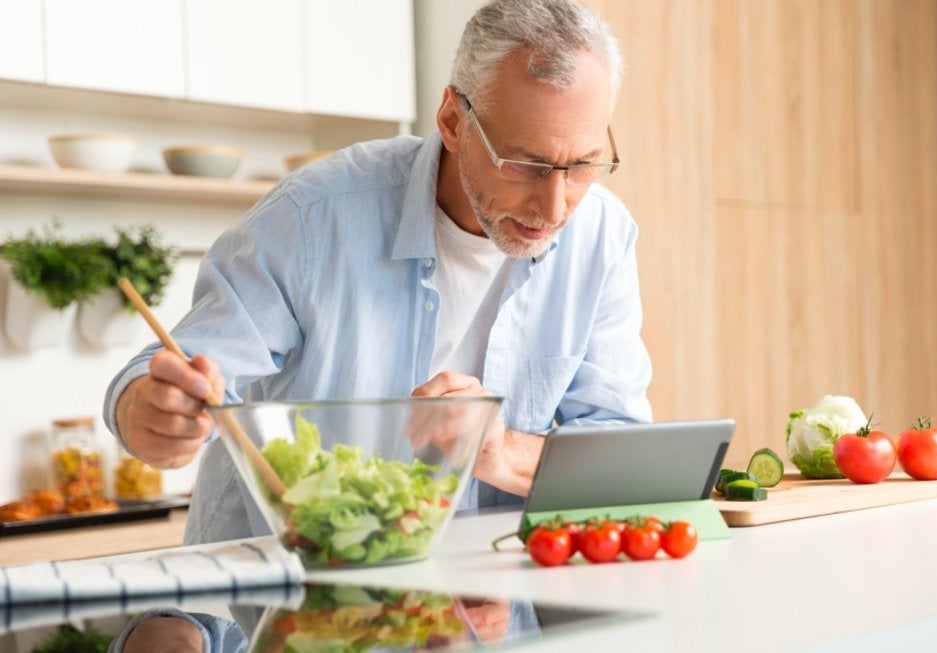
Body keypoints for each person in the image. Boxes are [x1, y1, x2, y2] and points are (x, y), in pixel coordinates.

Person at [103, 0, 652, 546]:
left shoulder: (602, 236)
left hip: (494, 607)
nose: (555, 208)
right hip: (289, 598)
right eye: (524, 164)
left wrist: (500, 451)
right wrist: (152, 417)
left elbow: (621, 453)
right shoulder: (313, 216)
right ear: (453, 120)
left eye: (582, 165)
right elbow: (168, 375)